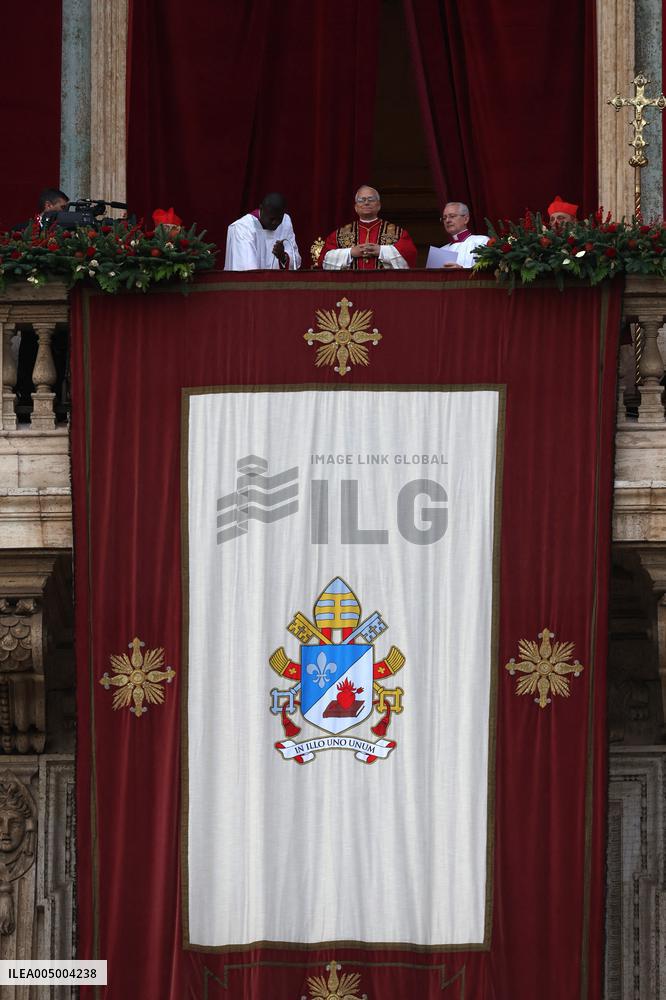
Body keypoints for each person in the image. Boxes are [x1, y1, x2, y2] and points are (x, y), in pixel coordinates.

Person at [319, 185, 417, 270]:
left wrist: (381, 251)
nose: (366, 203)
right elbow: (324, 260)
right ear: (356, 207)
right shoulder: (339, 234)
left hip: (384, 286)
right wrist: (350, 252)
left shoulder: (398, 233)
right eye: (361, 200)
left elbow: (410, 256)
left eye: (371, 199)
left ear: (378, 205)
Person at [224, 193, 301, 270]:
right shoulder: (243, 228)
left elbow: (296, 261)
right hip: (256, 281)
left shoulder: (285, 222)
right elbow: (246, 270)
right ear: (261, 209)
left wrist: (283, 256)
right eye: (272, 219)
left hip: (279, 281)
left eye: (279, 219)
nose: (275, 223)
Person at [434, 201, 489, 269]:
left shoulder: (482, 241)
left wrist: (461, 269)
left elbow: (489, 271)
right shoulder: (441, 251)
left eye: (452, 216)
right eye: (444, 218)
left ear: (465, 219)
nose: (447, 220)